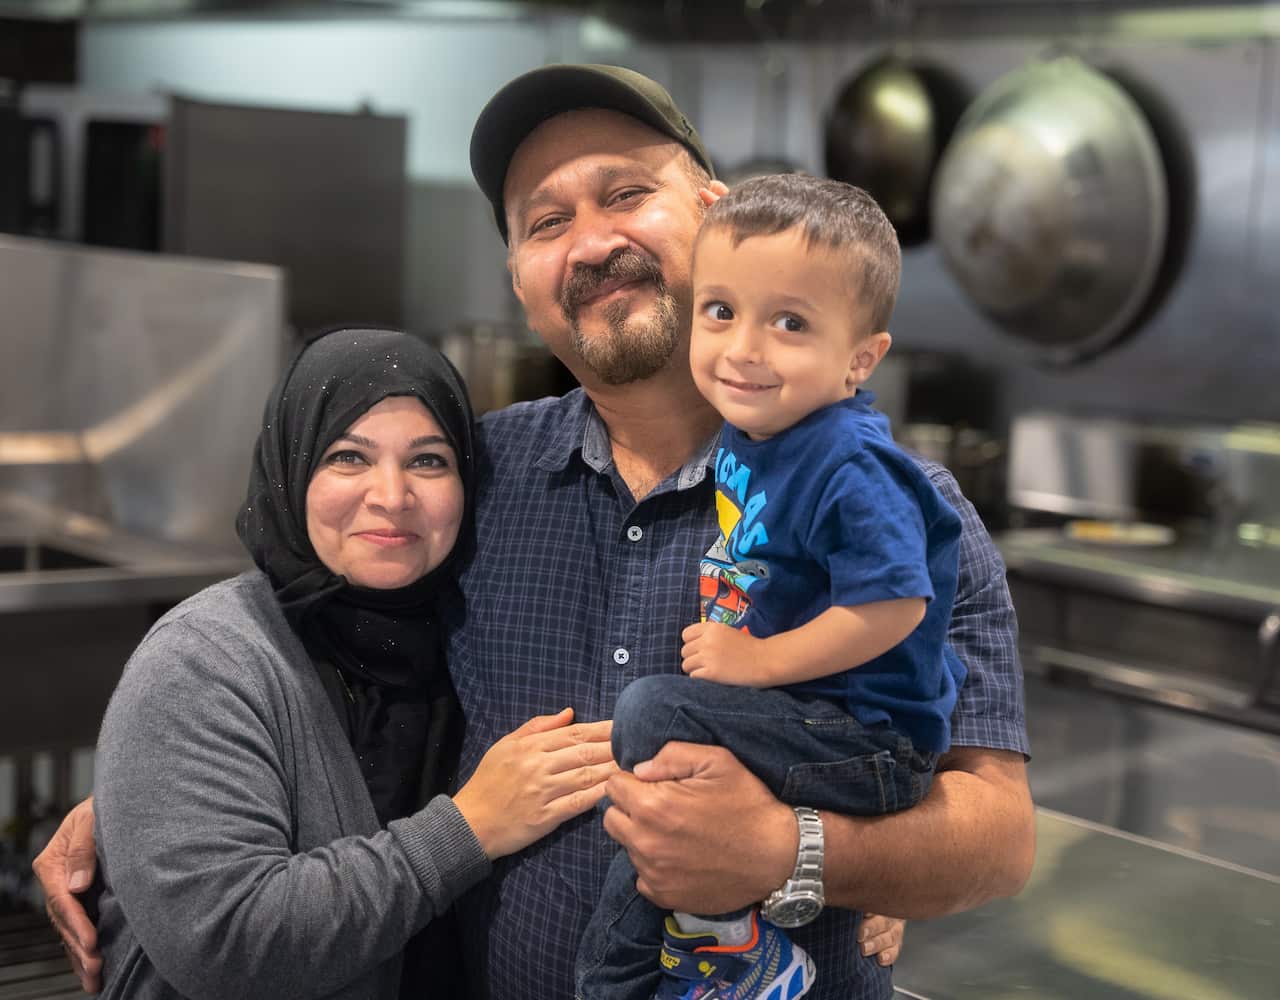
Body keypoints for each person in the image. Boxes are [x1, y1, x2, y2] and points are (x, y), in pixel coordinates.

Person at [36, 66, 1034, 1000]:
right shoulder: (470, 478)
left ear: (715, 214)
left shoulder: (891, 505)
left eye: (625, 193)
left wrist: (796, 850)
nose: (592, 244)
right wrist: (143, 799)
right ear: (519, 279)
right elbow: (323, 658)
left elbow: (995, 838)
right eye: (546, 222)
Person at [84, 327, 616, 999]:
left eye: (428, 461)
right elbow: (223, 942)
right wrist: (470, 828)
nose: (391, 495)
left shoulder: (470, 639)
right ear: (290, 469)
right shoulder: (206, 659)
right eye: (347, 457)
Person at [576, 173, 969, 1000]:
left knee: (655, 714)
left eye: (790, 323)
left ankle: (723, 943)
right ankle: (695, 947)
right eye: (721, 311)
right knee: (660, 790)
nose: (745, 348)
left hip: (870, 742)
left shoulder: (851, 464)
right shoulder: (753, 436)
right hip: (809, 723)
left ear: (861, 358)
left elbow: (896, 604)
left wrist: (756, 661)